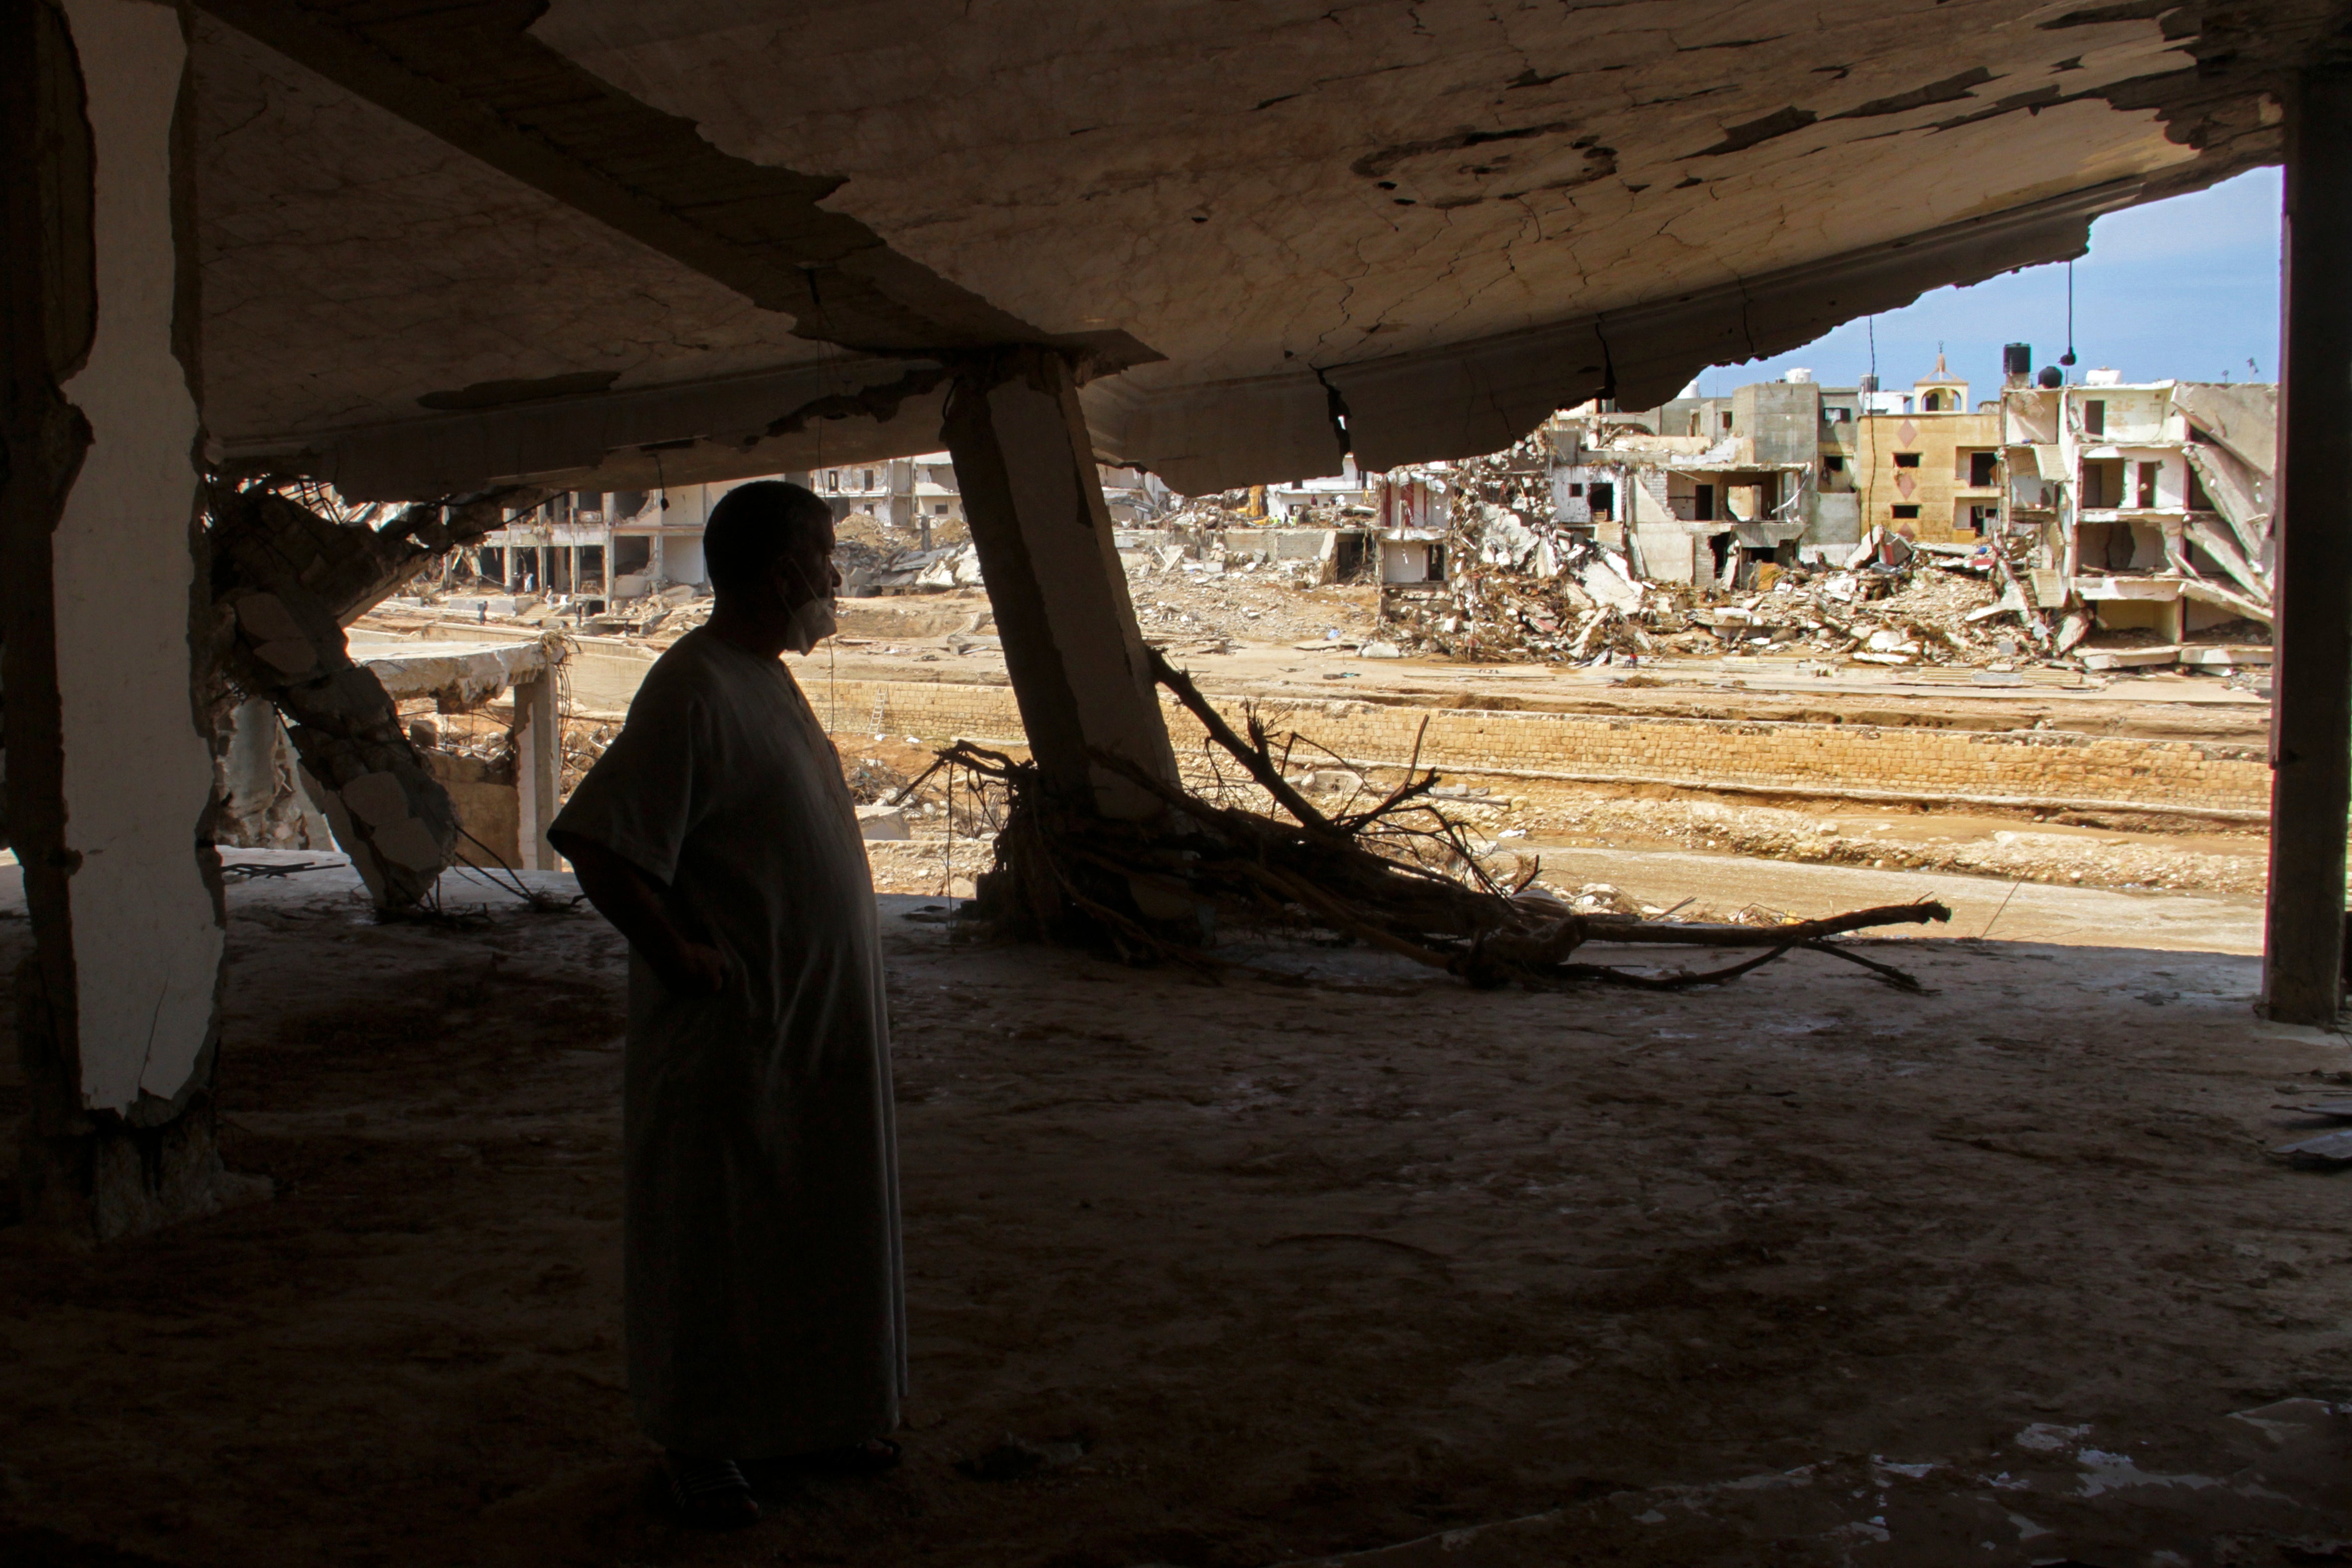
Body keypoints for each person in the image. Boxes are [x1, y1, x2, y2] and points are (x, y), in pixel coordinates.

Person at [549, 481, 905, 1528]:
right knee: (716, 1242)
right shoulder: (693, 687)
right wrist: (678, 956)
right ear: (783, 571)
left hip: (811, 1034)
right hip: (736, 1038)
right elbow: (603, 843)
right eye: (828, 558)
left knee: (810, 1228)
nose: (838, 578)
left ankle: (813, 1418)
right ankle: (699, 1445)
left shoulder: (763, 678)